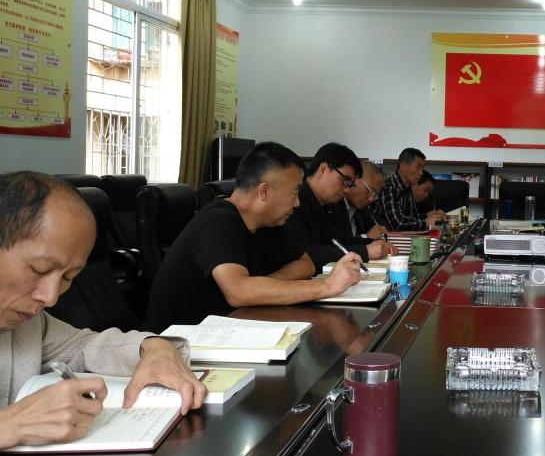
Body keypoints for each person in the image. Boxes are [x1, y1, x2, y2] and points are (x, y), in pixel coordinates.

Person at [0, 172, 205, 450]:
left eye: (68, 277)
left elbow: (83, 346)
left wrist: (153, 347)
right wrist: (12, 424)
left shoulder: (27, 322)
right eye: (39, 269)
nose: (50, 297)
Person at [147, 141, 362, 332]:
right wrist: (327, 286)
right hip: (179, 346)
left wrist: (261, 287)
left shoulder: (267, 221)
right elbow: (238, 292)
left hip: (233, 326)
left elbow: (305, 264)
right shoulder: (219, 221)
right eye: (294, 192)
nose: (297, 203)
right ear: (264, 192)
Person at [285, 142, 393, 268]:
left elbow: (337, 241)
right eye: (344, 180)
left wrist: (374, 243)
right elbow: (306, 254)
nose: (346, 190)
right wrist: (366, 251)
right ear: (323, 169)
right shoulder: (295, 199)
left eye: (350, 185)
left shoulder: (325, 202)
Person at [371, 148, 446, 231]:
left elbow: (413, 217)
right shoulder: (389, 187)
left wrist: (428, 218)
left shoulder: (407, 188)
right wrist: (425, 222)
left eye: (422, 168)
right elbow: (398, 223)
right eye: (418, 167)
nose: (421, 173)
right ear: (403, 166)